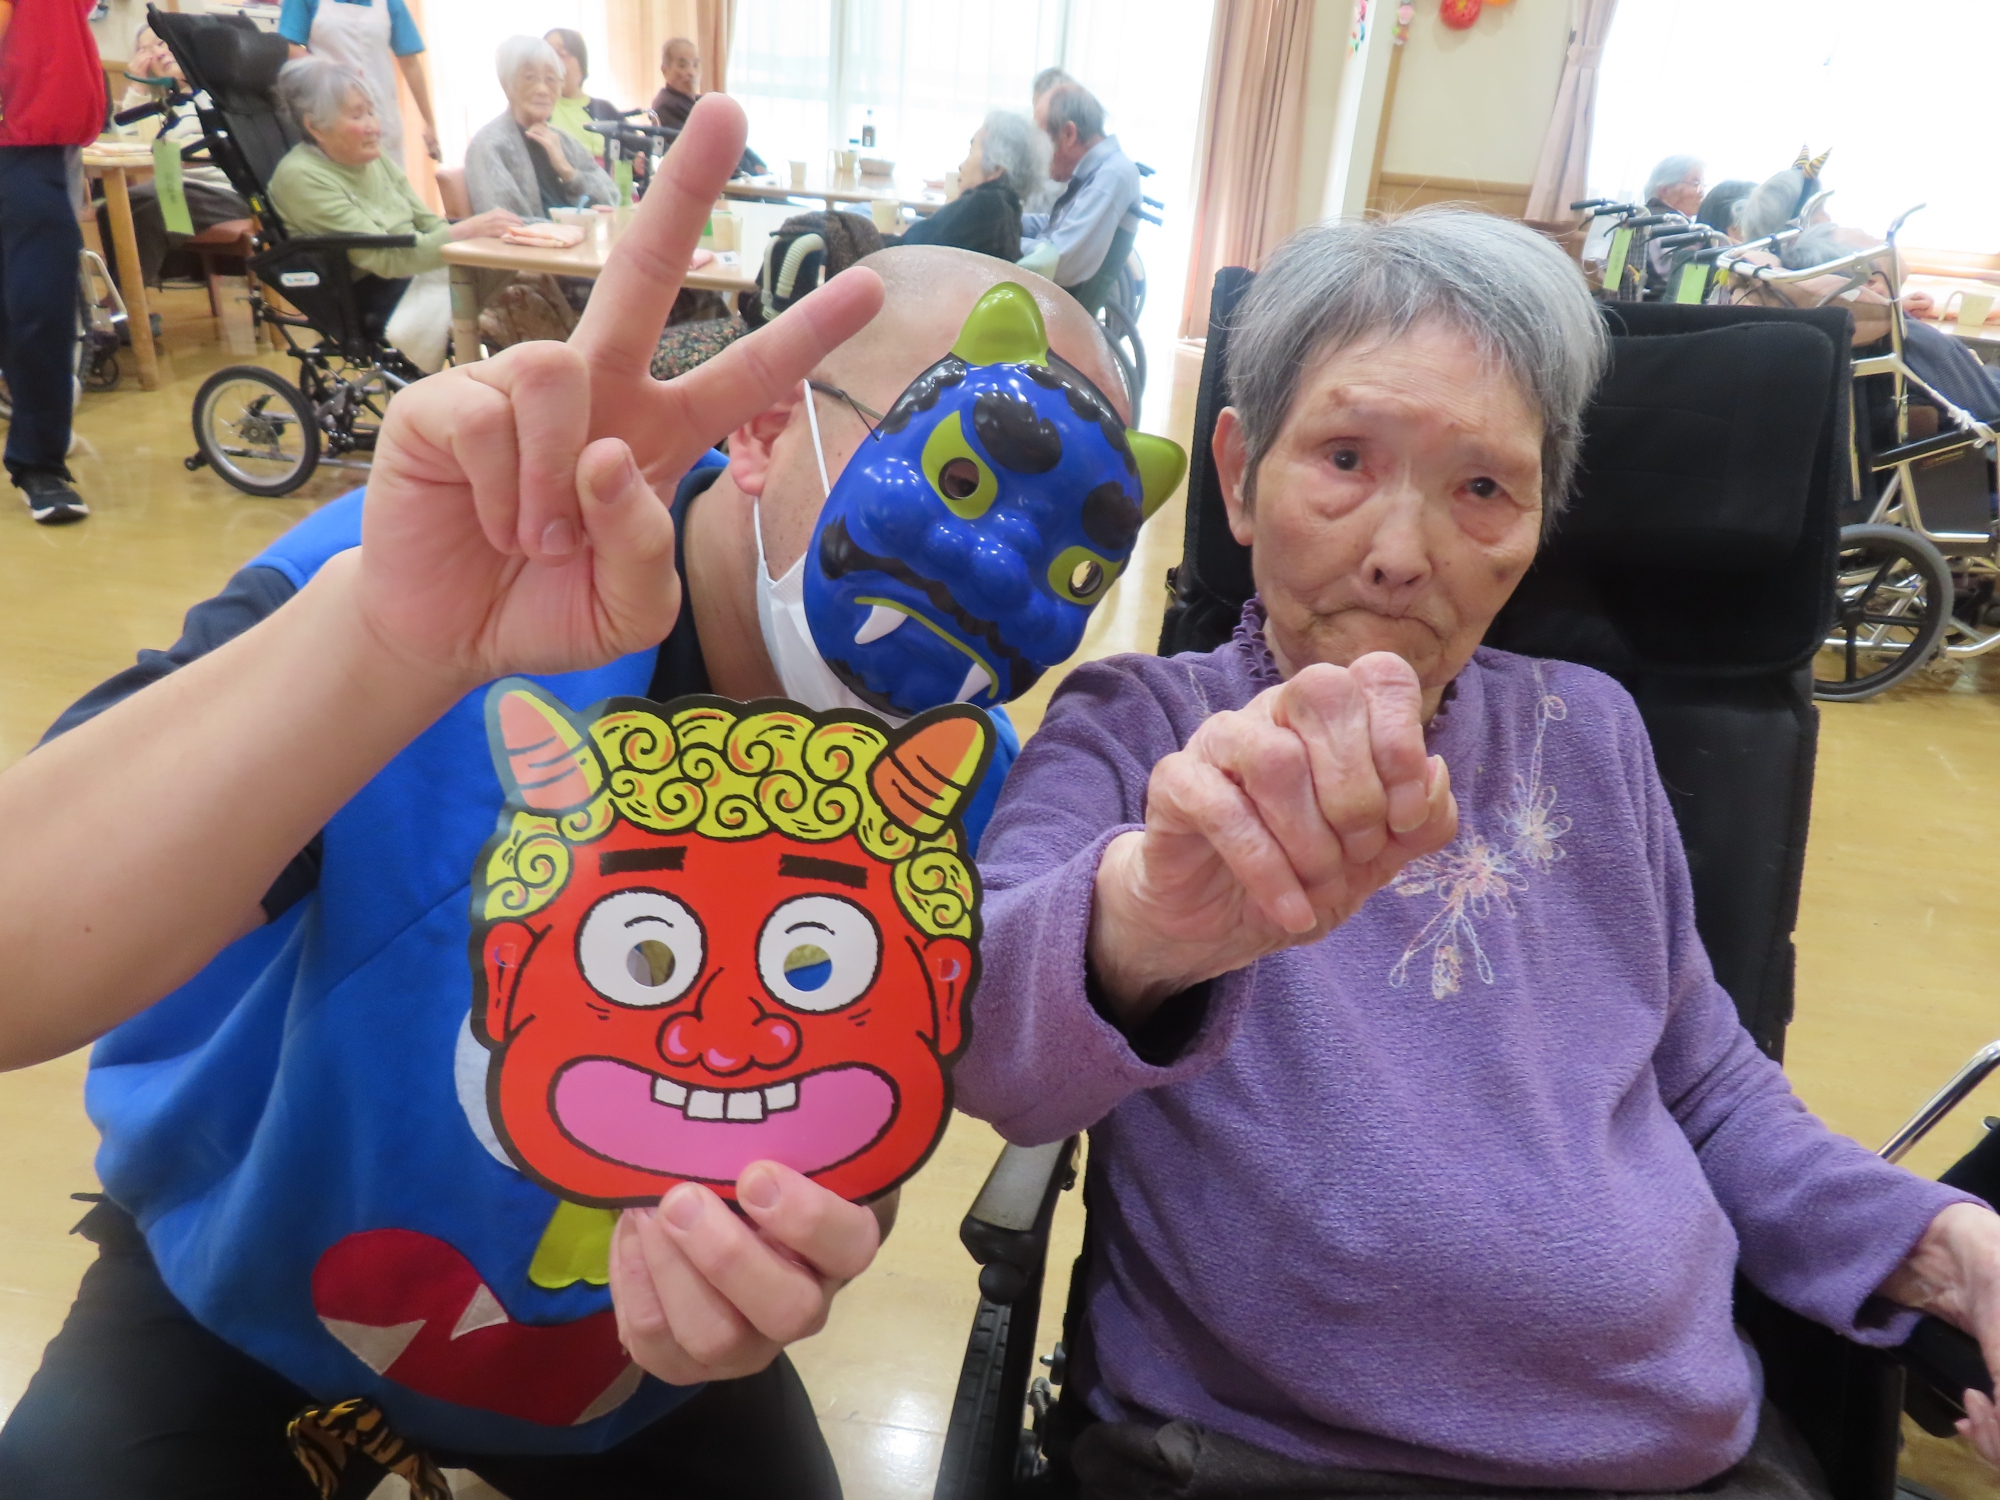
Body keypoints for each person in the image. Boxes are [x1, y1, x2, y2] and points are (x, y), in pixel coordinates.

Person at [0, 95, 1129, 1498]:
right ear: (767, 426)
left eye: (1071, 554)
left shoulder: (952, 782)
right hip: (237, 1293)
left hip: (624, 1385)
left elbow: (866, 1120)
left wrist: (771, 1267)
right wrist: (385, 652)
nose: (1003, 570)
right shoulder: (449, 560)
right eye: (958, 475)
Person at [955, 208, 2000, 1497]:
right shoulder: (1137, 730)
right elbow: (984, 1036)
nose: (1401, 557)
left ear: (1539, 516)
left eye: (1481, 488)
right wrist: (1141, 925)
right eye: (1344, 457)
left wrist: (1946, 1248)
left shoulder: (1592, 733)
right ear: (1238, 473)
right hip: (1274, 1462)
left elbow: (1711, 1092)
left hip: (1687, 1460)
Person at [268, 58, 517, 356]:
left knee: (516, 271)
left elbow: (426, 220)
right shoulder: (300, 177)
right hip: (368, 289)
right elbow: (385, 260)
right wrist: (463, 232)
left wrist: (465, 241)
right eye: (357, 115)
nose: (374, 126)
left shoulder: (371, 154)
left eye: (371, 112)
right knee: (504, 305)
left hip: (411, 267)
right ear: (315, 127)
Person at [0, 0, 103, 526]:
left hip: (40, 139)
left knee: (39, 301)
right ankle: (38, 441)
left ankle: (40, 458)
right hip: (26, 137)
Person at [103, 24, 253, 302]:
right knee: (113, 206)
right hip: (178, 189)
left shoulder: (219, 95)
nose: (158, 54)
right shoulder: (167, 106)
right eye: (146, 51)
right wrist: (137, 86)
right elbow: (131, 144)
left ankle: (127, 305)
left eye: (162, 44)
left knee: (151, 213)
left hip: (227, 194)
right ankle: (123, 299)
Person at [466, 35, 615, 221]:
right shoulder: (489, 145)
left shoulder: (564, 141)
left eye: (551, 79)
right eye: (530, 78)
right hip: (546, 240)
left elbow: (612, 200)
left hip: (581, 238)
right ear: (507, 84)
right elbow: (506, 222)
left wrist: (568, 172)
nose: (543, 90)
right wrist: (570, 228)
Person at [1019, 81, 1140, 304]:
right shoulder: (1101, 170)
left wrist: (1002, 240)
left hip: (1062, 310)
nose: (1038, 153)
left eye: (1041, 140)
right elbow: (1059, 226)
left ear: (1069, 134)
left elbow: (1058, 259)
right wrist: (1010, 222)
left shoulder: (1112, 174)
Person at [278, 0, 438, 165]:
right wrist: (331, 73)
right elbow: (287, 46)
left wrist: (429, 122)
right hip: (332, 112)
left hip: (382, 113)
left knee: (388, 175)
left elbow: (410, 63)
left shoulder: (390, 3)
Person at [889, 110, 1043, 263]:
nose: (961, 165)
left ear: (996, 167)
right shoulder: (1008, 209)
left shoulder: (985, 206)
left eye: (971, 152)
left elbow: (905, 247)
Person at [650, 34, 764, 178]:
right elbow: (705, 153)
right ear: (665, 70)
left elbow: (733, 141)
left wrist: (757, 163)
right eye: (682, 65)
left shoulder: (704, 102)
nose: (691, 72)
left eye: (695, 65)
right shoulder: (667, 105)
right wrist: (751, 171)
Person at [544, 27, 621, 164]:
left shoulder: (604, 109)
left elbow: (633, 155)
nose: (552, 61)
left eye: (561, 54)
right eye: (547, 54)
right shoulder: (538, 108)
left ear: (581, 65)